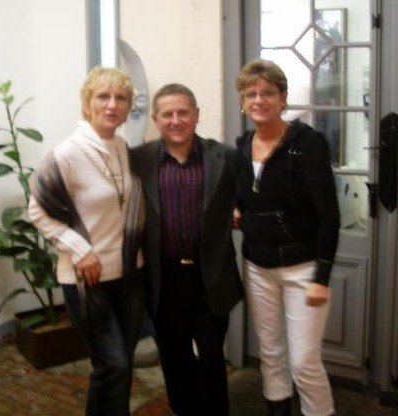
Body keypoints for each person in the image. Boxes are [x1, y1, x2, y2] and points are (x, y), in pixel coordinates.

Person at [28, 66, 145, 416]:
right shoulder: (67, 153)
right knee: (113, 365)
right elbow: (37, 210)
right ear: (87, 103)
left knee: (119, 367)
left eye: (121, 98)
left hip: (129, 275)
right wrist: (81, 251)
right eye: (103, 96)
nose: (112, 104)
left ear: (128, 107)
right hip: (87, 278)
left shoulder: (121, 147)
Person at [234, 59, 340, 416]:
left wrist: (322, 276)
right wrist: (236, 208)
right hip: (258, 267)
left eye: (268, 93)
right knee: (271, 355)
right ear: (242, 101)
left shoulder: (307, 144)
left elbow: (329, 214)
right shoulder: (242, 146)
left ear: (282, 98)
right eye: (251, 94)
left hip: (303, 269)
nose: (259, 100)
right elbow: (246, 194)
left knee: (304, 363)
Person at [131, 83, 243, 416]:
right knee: (174, 359)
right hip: (164, 279)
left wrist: (239, 210)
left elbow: (249, 197)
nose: (176, 120)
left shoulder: (226, 157)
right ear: (156, 119)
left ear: (196, 115)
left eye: (183, 112)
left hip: (211, 277)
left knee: (211, 358)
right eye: (167, 114)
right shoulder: (138, 160)